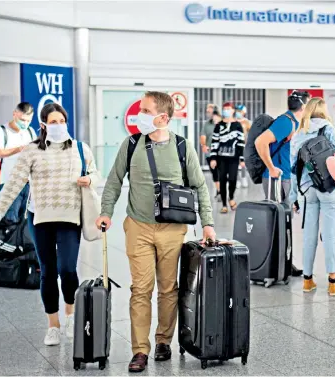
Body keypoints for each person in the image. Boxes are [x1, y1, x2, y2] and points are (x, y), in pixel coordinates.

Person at [96, 91, 215, 373]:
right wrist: (106, 212)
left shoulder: (183, 147)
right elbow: (114, 180)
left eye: (146, 111)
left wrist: (207, 222)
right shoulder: (132, 143)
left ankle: (163, 340)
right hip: (137, 225)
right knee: (141, 288)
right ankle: (140, 350)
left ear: (162, 117)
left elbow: (199, 186)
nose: (140, 115)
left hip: (172, 229)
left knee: (167, 288)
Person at [0, 102, 99, 347]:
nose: (58, 126)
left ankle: (70, 314)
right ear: (44, 124)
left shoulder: (80, 148)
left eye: (62, 121)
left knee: (68, 269)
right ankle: (53, 325)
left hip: (70, 217)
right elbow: (13, 185)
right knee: (47, 271)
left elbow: (96, 173)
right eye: (53, 121)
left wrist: (89, 178)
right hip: (40, 218)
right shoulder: (32, 150)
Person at [290, 97, 335, 296]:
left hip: (307, 190)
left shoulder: (298, 134)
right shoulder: (328, 129)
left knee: (309, 236)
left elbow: (292, 170)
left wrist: (293, 197)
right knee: (330, 235)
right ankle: (333, 283)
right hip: (330, 187)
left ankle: (308, 280)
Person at [255, 91, 310, 203]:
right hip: (278, 177)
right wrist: (271, 168)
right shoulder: (286, 122)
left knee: (286, 216)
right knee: (276, 217)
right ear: (304, 106)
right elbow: (260, 142)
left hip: (288, 176)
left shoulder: (296, 122)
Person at [0, 102, 36, 223]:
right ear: (14, 114)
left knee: (27, 226)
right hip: (9, 184)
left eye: (28, 121)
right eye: (22, 120)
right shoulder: (1, 131)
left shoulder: (30, 132)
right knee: (9, 223)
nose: (25, 124)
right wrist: (19, 149)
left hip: (28, 185)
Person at [210, 102, 245, 213]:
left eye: (228, 109)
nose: (226, 110)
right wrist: (213, 158)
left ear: (233, 110)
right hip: (221, 158)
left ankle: (231, 197)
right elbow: (214, 142)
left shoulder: (238, 125)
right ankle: (224, 204)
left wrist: (242, 158)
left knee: (233, 179)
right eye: (224, 109)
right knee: (222, 180)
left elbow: (241, 142)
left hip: (233, 158)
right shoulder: (218, 125)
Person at [200, 104, 220, 199]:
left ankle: (221, 191)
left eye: (209, 111)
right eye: (207, 112)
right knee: (214, 172)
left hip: (222, 153)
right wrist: (203, 145)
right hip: (210, 152)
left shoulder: (224, 123)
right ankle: (219, 191)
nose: (208, 113)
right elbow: (203, 136)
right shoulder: (207, 124)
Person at [235, 104, 251, 188]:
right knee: (234, 163)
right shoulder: (233, 121)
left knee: (243, 163)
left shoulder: (246, 122)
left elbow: (251, 133)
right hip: (234, 146)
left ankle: (244, 178)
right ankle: (236, 180)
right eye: (237, 111)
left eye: (240, 111)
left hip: (243, 146)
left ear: (244, 112)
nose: (238, 113)